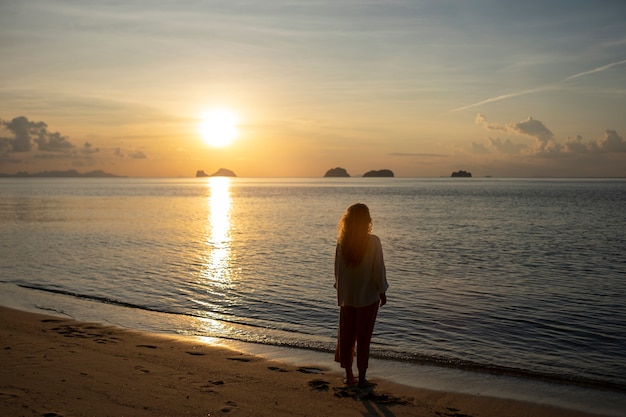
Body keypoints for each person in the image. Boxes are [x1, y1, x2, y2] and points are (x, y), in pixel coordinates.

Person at [334, 203, 388, 387]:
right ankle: (362, 379)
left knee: (347, 337)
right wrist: (383, 291)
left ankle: (349, 376)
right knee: (364, 340)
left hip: (347, 297)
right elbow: (378, 270)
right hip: (368, 297)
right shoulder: (373, 242)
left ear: (347, 221)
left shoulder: (342, 243)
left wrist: (339, 289)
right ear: (367, 221)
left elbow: (337, 271)